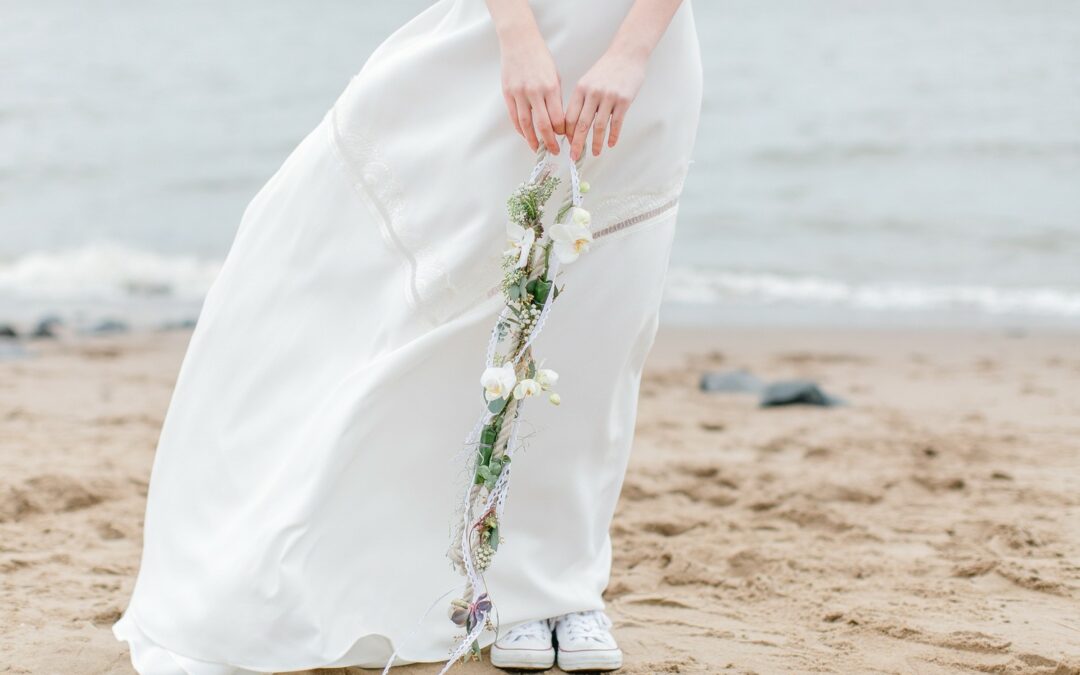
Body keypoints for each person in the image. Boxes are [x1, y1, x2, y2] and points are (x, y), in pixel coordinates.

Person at [111, 0, 702, 672]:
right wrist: (517, 38)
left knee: (598, 329)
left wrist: (630, 52)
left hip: (643, 63)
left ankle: (560, 587)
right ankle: (480, 579)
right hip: (505, 51)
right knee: (440, 306)